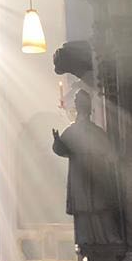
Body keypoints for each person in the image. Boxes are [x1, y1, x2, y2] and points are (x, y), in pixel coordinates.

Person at [52, 89, 123, 248]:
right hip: (79, 174)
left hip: (97, 173)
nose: (81, 105)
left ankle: (109, 237)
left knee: (101, 206)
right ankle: (85, 239)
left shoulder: (96, 131)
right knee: (83, 210)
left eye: (83, 102)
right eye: (79, 102)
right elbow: (61, 150)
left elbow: (110, 153)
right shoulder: (72, 131)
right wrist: (57, 142)